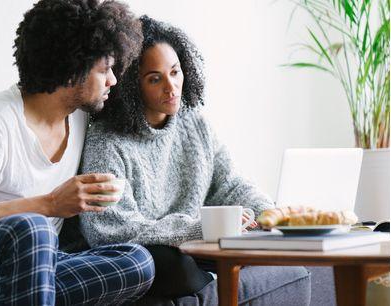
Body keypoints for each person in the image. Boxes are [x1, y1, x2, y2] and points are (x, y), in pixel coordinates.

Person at [0, 1, 155, 305]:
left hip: (40, 259)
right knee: (32, 226)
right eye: (104, 70)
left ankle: (20, 289)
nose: (113, 80)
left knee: (137, 261)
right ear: (71, 70)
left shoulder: (79, 116)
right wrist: (49, 204)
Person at [79, 15, 310, 303]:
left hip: (200, 248)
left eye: (175, 72)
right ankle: (215, 279)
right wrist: (199, 228)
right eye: (155, 79)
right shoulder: (107, 140)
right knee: (173, 265)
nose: (171, 87)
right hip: (162, 255)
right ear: (130, 86)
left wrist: (268, 214)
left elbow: (230, 184)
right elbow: (109, 230)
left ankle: (219, 275)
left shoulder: (194, 124)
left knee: (287, 247)